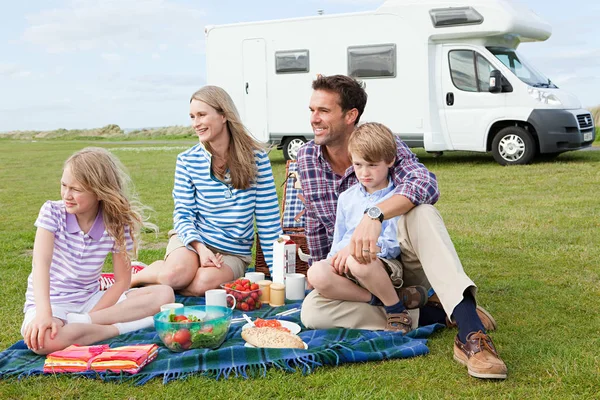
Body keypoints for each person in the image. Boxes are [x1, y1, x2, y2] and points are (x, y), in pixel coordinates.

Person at [298, 74, 507, 380]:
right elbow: (316, 222)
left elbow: (426, 183)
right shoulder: (307, 156)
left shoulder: (384, 143)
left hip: (398, 260)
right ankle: (426, 311)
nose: (314, 119)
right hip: (354, 270)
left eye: (323, 111)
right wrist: (320, 273)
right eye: (311, 110)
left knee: (422, 212)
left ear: (350, 115)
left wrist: (374, 214)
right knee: (312, 312)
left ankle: (470, 331)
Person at [131, 86, 282, 295]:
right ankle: (138, 276)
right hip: (193, 241)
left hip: (233, 252)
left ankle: (166, 278)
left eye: (202, 115)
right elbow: (183, 214)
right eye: (192, 117)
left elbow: (268, 222)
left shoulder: (257, 160)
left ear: (223, 115)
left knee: (202, 284)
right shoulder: (187, 160)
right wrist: (200, 249)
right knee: (173, 276)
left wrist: (279, 278)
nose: (196, 124)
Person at [22, 147, 174, 355]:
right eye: (64, 185)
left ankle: (85, 327)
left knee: (164, 294)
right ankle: (121, 328)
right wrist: (44, 314)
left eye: (76, 189)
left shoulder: (116, 223)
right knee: (43, 342)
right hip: (52, 302)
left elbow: (121, 281)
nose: (67, 195)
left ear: (99, 191)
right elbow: (41, 266)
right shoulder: (52, 212)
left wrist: (89, 317)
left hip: (90, 301)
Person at [310, 122, 427, 334]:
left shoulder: (396, 198)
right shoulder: (347, 197)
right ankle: (387, 300)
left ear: (390, 161)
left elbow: (392, 244)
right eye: (358, 165)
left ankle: (395, 310)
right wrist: (333, 260)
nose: (364, 173)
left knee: (359, 261)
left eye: (372, 165)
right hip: (345, 265)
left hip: (379, 265)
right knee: (316, 273)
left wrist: (355, 249)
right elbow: (338, 238)